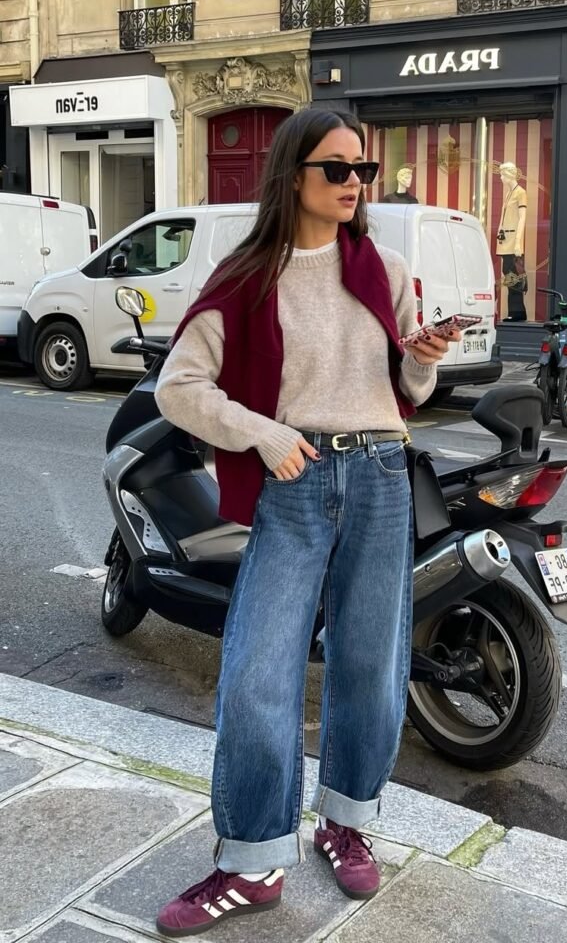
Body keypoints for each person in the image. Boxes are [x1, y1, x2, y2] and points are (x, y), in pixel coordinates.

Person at [152, 107, 458, 938]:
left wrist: (420, 359)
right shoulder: (247, 273)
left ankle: (344, 820)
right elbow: (178, 388)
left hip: (383, 474)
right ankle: (251, 863)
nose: (357, 183)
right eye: (338, 169)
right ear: (294, 176)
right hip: (295, 477)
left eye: (364, 169)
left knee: (370, 661)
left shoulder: (384, 267)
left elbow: (408, 392)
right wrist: (266, 433)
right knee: (258, 673)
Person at [496, 161, 528, 322]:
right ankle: (516, 312)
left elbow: (522, 218)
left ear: (509, 174)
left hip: (512, 242)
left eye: (502, 174)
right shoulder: (509, 193)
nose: (501, 178)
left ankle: (517, 312)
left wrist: (517, 243)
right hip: (505, 241)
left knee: (513, 277)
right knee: (508, 276)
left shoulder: (520, 193)